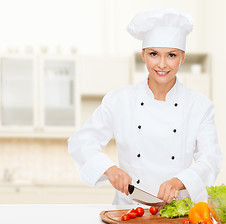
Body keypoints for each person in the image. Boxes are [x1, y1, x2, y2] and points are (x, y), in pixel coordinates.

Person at [68, 8, 222, 205]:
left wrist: (179, 182)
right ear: (143, 55)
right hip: (128, 211)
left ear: (182, 58)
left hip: (175, 212)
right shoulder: (119, 100)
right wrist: (110, 170)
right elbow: (81, 141)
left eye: (172, 55)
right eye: (154, 54)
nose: (162, 64)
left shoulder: (200, 106)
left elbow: (211, 159)